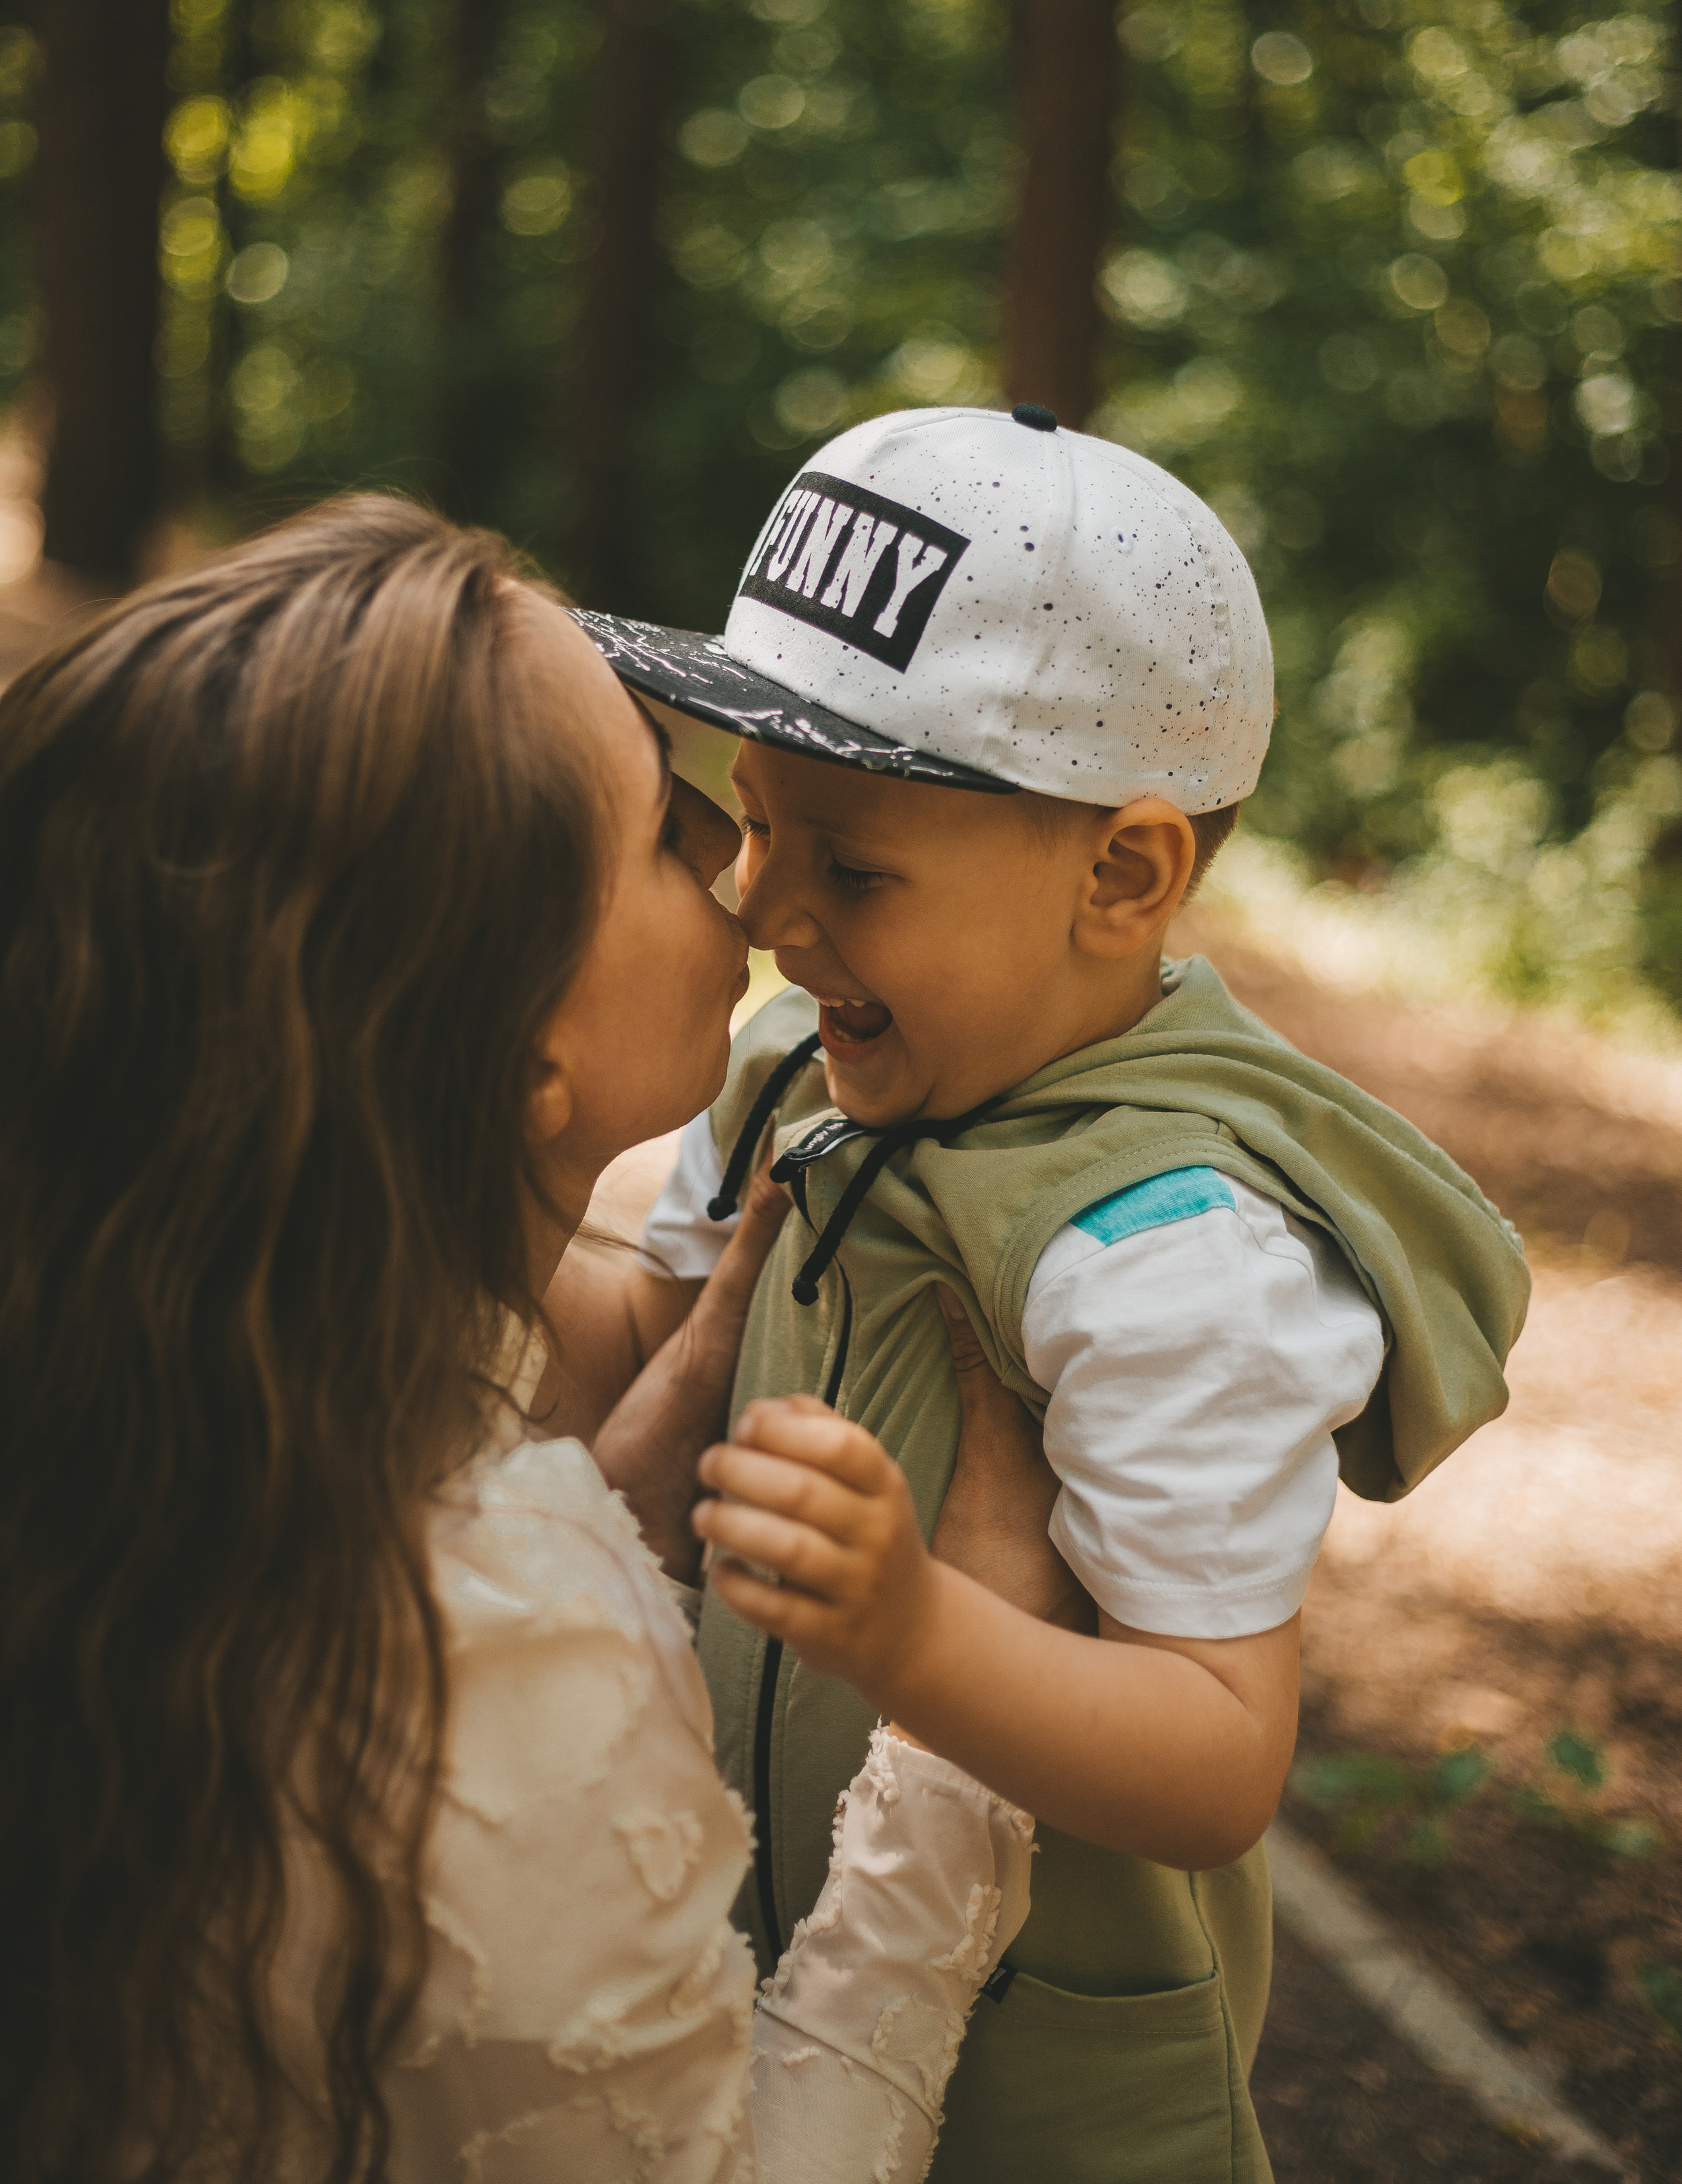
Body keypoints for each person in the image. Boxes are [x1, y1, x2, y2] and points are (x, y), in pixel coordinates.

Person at [0, 495, 1064, 2184]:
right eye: (653, 827)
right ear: (511, 1060)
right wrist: (958, 1747)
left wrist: (669, 1402)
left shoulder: (144, 1381)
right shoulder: (497, 1684)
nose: (730, 854)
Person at [568, 402, 1534, 2183]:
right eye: (755, 822)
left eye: (853, 866)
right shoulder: (800, 1069)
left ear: (1122, 872)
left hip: (1040, 2101)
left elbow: (1215, 1754)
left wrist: (915, 1635)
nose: (765, 907)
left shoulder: (1173, 1254)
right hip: (738, 1992)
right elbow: (644, 1345)